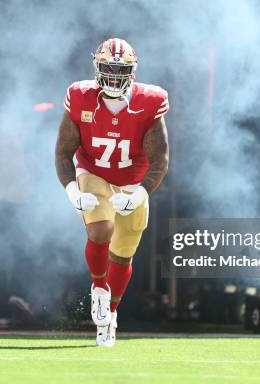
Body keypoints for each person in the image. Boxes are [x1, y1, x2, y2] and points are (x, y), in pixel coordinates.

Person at [55, 38, 169, 346]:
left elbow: (160, 159)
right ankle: (98, 288)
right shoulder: (80, 96)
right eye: (108, 68)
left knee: (123, 253)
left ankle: (111, 315)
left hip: (132, 180)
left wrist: (140, 194)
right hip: (93, 172)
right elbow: (64, 151)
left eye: (121, 70)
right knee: (102, 229)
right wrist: (71, 191)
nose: (114, 76)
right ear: (97, 67)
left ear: (132, 72)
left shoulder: (150, 101)